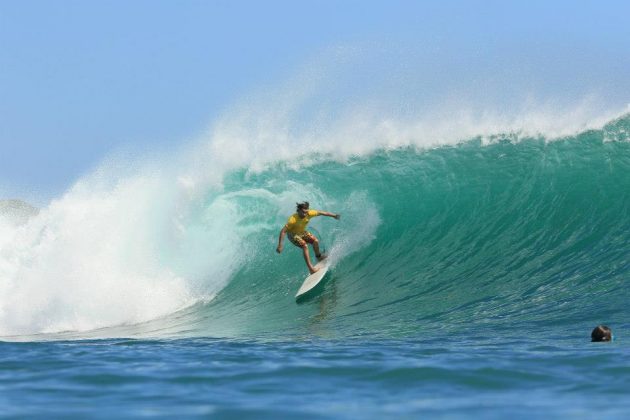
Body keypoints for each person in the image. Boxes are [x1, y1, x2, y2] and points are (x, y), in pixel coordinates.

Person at [276, 201, 340, 274]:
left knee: (315, 241)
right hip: (293, 235)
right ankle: (311, 269)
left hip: (301, 232)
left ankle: (319, 257)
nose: (304, 214)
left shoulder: (309, 213)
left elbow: (322, 213)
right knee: (305, 246)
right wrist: (280, 245)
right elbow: (283, 231)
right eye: (303, 212)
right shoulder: (292, 220)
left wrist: (334, 215)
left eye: (306, 212)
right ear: (298, 210)